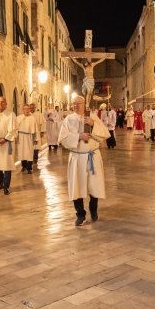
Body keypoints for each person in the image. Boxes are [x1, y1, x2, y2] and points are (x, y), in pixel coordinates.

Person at [59, 96, 111, 226]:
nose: (76, 106)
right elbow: (62, 138)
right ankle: (80, 214)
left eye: (79, 103)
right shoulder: (68, 119)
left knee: (94, 186)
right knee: (77, 186)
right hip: (77, 157)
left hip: (92, 156)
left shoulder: (92, 116)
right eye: (74, 103)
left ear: (84, 104)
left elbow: (104, 134)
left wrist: (93, 125)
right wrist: (78, 136)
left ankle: (93, 210)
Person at [15, 103, 37, 173]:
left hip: (29, 137)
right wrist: (16, 137)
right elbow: (15, 129)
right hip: (21, 137)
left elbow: (35, 129)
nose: (27, 110)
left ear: (29, 110)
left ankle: (29, 168)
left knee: (29, 152)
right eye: (25, 109)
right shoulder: (18, 118)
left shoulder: (33, 118)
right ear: (22, 110)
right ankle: (23, 166)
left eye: (28, 109)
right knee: (22, 152)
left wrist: (35, 139)